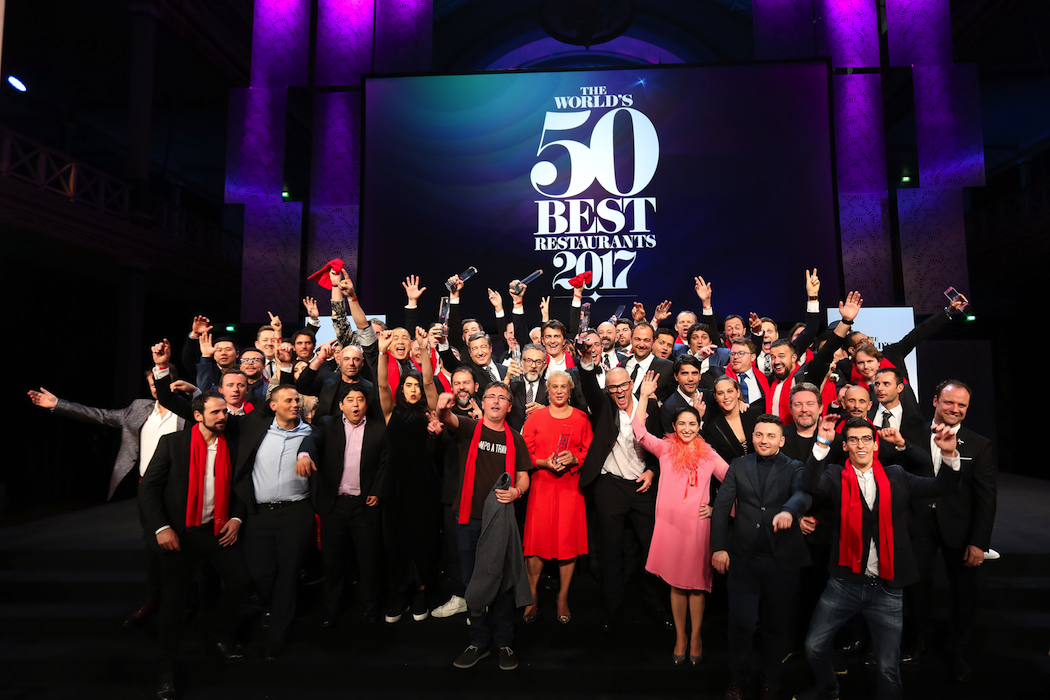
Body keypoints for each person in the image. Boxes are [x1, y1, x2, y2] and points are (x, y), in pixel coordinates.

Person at [793, 416, 962, 700]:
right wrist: (821, 443)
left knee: (887, 667)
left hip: (888, 589)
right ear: (845, 445)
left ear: (875, 444)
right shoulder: (834, 474)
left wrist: (948, 454)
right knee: (814, 646)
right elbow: (809, 483)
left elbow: (943, 487)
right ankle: (827, 690)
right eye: (854, 440)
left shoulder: (897, 475)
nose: (861, 445)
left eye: (866, 439)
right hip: (844, 583)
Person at [28, 372, 186, 627]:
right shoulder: (139, 408)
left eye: (162, 382)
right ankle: (154, 601)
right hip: (148, 489)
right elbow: (101, 415)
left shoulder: (188, 411)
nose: (157, 388)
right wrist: (59, 404)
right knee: (154, 548)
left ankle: (186, 603)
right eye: (152, 384)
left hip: (182, 488)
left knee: (183, 547)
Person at [138, 390, 251, 700]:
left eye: (225, 412)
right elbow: (148, 489)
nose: (222, 417)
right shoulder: (174, 444)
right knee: (173, 603)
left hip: (216, 533)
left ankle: (215, 633)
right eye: (215, 412)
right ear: (198, 416)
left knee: (241, 581)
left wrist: (237, 519)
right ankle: (167, 669)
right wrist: (161, 527)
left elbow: (241, 487)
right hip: (179, 534)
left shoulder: (234, 444)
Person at [433, 383, 532, 671]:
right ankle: (478, 642)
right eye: (491, 397)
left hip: (500, 521)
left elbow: (524, 477)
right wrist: (443, 404)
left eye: (503, 398)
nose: (497, 401)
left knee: (501, 585)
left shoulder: (516, 439)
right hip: (468, 519)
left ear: (510, 407)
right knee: (472, 584)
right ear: (483, 402)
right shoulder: (468, 427)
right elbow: (445, 416)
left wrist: (516, 492)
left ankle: (504, 642)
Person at [711, 415, 811, 700]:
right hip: (744, 558)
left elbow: (803, 495)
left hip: (782, 560)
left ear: (781, 440)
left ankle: (771, 683)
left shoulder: (795, 467)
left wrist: (790, 512)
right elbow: (721, 508)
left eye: (770, 436)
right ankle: (738, 678)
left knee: (775, 627)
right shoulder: (739, 465)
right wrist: (719, 547)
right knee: (741, 624)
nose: (764, 440)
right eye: (758, 435)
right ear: (752, 437)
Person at [633, 371, 729, 665]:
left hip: (698, 528)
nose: (687, 428)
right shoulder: (664, 449)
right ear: (673, 426)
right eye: (682, 424)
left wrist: (718, 510)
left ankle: (696, 636)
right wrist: (644, 397)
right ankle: (680, 636)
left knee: (697, 585)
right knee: (675, 584)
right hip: (670, 525)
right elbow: (638, 431)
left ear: (700, 426)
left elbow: (732, 483)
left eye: (692, 424)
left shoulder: (709, 454)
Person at [904, 380, 997, 681]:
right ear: (934, 401)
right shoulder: (909, 434)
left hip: (960, 528)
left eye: (962, 405)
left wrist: (979, 542)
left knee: (963, 592)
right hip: (916, 525)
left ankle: (957, 650)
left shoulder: (978, 444)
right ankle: (920, 644)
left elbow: (986, 497)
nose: (955, 409)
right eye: (949, 403)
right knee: (916, 589)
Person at [577, 335, 671, 631]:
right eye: (613, 387)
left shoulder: (650, 408)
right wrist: (587, 360)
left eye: (623, 385)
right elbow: (589, 383)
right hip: (610, 486)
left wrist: (653, 471)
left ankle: (655, 603)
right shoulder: (603, 407)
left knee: (652, 547)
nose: (618, 391)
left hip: (643, 486)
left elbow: (661, 446)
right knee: (612, 548)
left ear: (632, 384)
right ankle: (612, 609)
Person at [376, 327, 441, 623]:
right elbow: (381, 387)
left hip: (425, 485)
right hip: (396, 486)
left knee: (422, 539)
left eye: (416, 385)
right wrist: (380, 352)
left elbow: (429, 380)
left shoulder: (429, 410)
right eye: (408, 386)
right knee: (396, 540)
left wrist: (425, 352)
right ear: (401, 390)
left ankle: (421, 593)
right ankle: (399, 592)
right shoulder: (391, 412)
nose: (414, 389)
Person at [520, 370, 592, 625]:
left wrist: (575, 459)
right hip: (541, 485)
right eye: (554, 387)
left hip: (570, 488)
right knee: (537, 541)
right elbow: (522, 454)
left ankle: (562, 597)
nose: (559, 391)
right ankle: (532, 594)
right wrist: (541, 462)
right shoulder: (535, 418)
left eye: (564, 387)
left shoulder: (582, 418)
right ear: (547, 390)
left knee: (567, 541)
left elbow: (589, 452)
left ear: (570, 390)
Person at [702, 376, 765, 464]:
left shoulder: (754, 414)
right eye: (720, 393)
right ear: (715, 397)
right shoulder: (713, 428)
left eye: (730, 391)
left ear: (738, 392)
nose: (726, 397)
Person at [660, 354, 706, 434]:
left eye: (694, 373)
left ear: (700, 376)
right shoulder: (668, 408)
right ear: (676, 376)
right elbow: (673, 443)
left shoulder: (709, 397)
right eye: (685, 373)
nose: (690, 378)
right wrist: (697, 418)